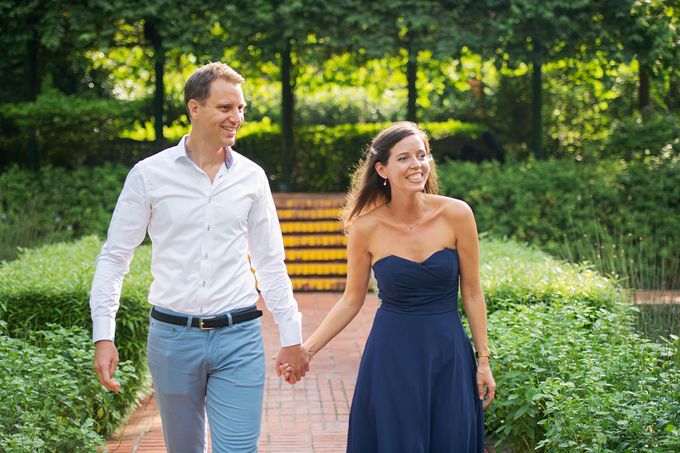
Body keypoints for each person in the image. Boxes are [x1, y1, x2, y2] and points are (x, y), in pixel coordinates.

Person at [90, 62, 309, 453]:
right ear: (195, 108)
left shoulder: (252, 177)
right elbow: (114, 258)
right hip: (172, 339)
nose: (237, 118)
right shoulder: (148, 175)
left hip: (239, 335)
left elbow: (271, 262)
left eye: (241, 109)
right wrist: (103, 334)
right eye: (226, 108)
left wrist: (291, 337)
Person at [280, 121, 495, 452]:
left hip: (448, 353)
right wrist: (307, 349)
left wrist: (483, 360)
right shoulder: (366, 228)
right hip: (392, 356)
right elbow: (351, 301)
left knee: (451, 438)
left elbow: (472, 291)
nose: (416, 165)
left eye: (422, 155)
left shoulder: (457, 214)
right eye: (404, 158)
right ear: (382, 168)